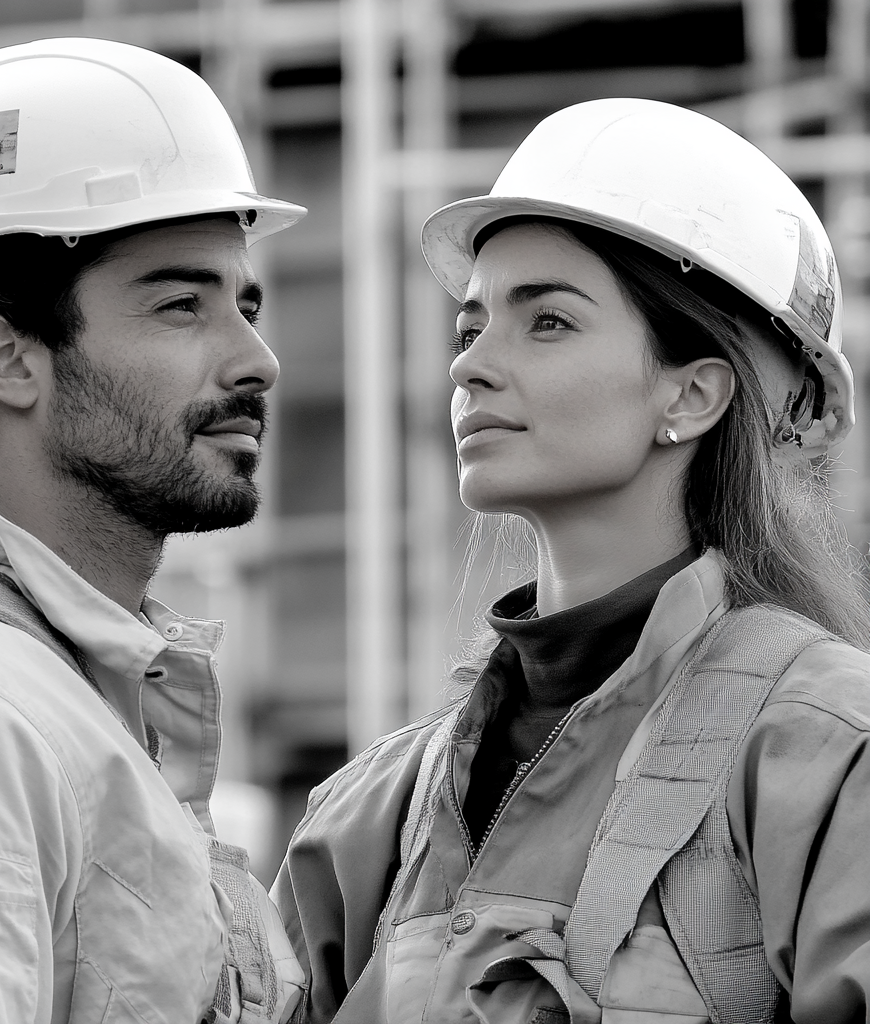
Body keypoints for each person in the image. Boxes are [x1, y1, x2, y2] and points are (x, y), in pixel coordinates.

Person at [272, 97, 870, 1023]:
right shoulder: (374, 813)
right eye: (470, 327)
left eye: (546, 321)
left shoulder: (824, 753)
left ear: (694, 392)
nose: (470, 366)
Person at [0, 37, 307, 1024]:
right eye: (182, 304)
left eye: (246, 303)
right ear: (11, 361)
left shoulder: (63, 688)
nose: (257, 357)